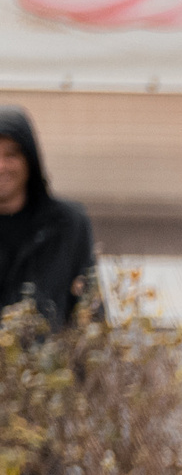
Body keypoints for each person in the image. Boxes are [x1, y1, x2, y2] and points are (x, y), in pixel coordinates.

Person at [0, 106, 100, 330]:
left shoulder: (67, 226)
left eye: (11, 154)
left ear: (30, 159)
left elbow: (91, 314)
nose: (1, 166)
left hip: (49, 364)